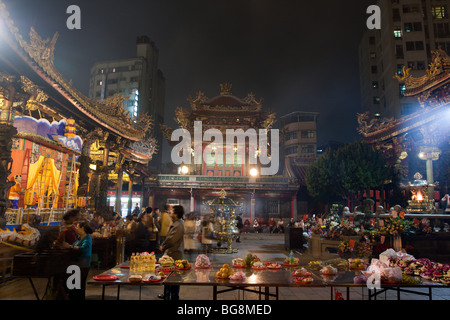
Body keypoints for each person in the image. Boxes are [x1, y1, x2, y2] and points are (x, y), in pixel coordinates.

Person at [159, 205, 185, 300]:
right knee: (169, 276)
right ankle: (167, 294)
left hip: (174, 253)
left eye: (172, 211)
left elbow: (171, 240)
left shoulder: (178, 225)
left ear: (176, 214)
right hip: (172, 253)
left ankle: (173, 296)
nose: (170, 213)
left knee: (174, 277)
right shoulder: (177, 223)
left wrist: (164, 246)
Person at [66, 221, 93, 300]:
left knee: (79, 284)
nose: (76, 229)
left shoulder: (87, 238)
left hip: (83, 263)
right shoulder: (79, 238)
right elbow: (73, 245)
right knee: (75, 285)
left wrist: (71, 247)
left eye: (78, 227)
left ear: (82, 228)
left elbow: (83, 249)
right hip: (78, 263)